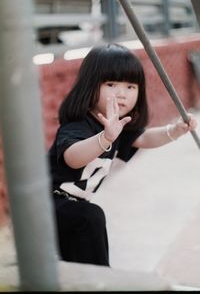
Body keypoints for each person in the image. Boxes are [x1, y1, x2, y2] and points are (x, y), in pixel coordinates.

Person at [48, 43, 198, 267]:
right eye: (111, 84)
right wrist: (105, 139)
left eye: (131, 87)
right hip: (50, 204)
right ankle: (101, 278)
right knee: (91, 218)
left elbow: (145, 138)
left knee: (76, 256)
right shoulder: (79, 125)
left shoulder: (117, 127)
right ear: (91, 85)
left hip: (73, 208)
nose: (122, 93)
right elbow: (73, 157)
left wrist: (174, 131)